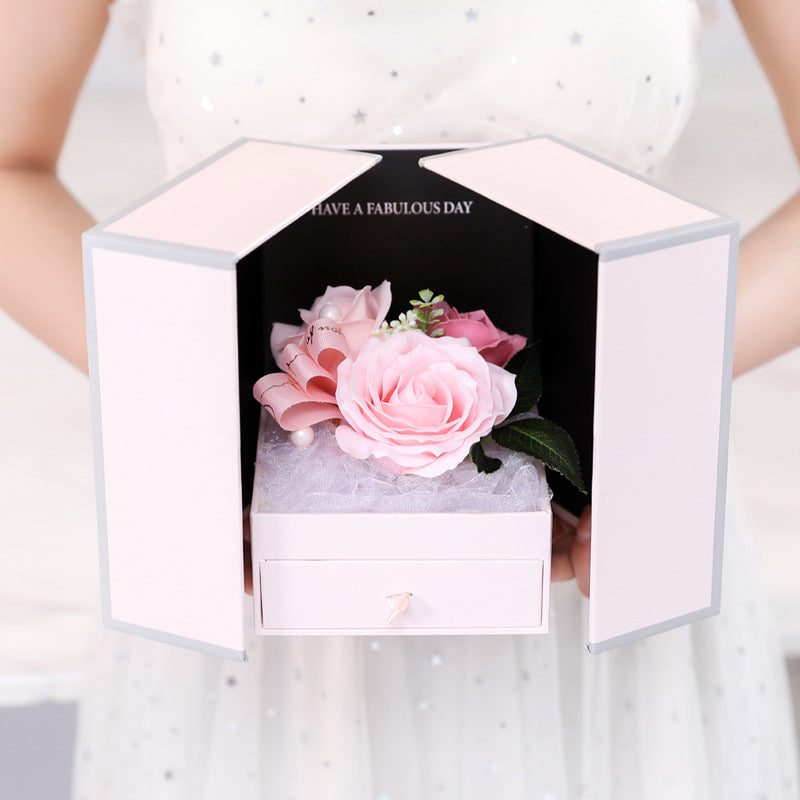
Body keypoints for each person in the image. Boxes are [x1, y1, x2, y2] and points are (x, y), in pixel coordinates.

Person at [1, 0, 799, 797]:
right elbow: (10, 166)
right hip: (254, 547)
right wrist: (180, 394)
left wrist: (658, 387)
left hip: (614, 518)